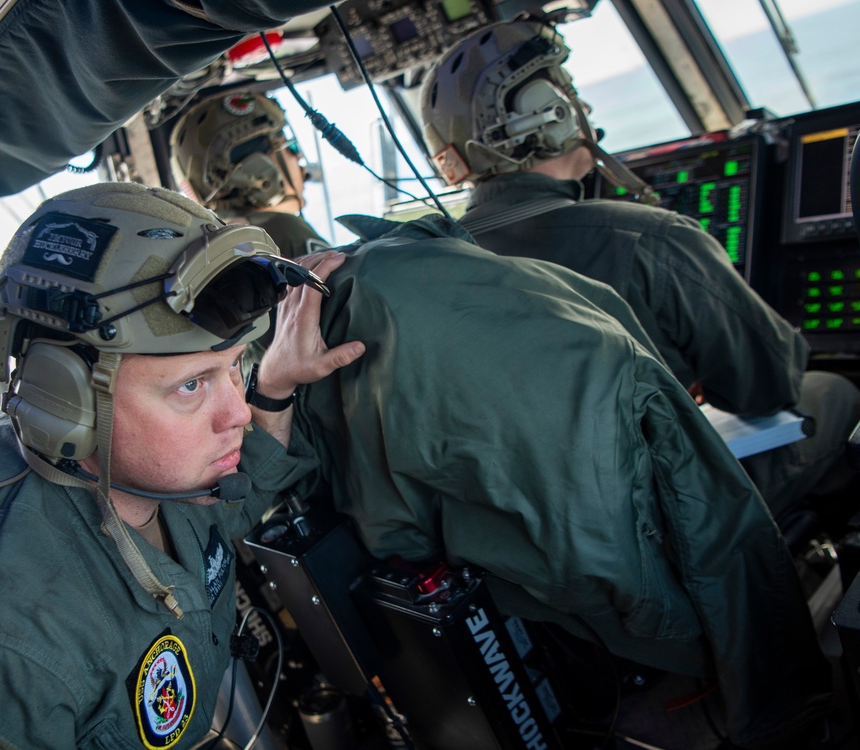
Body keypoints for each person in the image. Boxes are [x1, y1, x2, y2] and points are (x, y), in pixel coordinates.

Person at [268, 213, 832, 749]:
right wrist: (778, 694)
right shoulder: (628, 242)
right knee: (831, 392)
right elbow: (739, 420)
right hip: (647, 608)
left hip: (506, 593)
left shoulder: (277, 377)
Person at [0, 182, 362, 748]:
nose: (236, 413)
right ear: (64, 398)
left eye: (232, 367)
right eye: (191, 385)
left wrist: (273, 384)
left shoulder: (155, 476)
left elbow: (230, 507)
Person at [419, 15, 860, 522]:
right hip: (660, 518)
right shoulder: (650, 238)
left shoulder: (433, 265)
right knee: (832, 392)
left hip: (538, 528)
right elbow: (766, 386)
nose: (581, 107)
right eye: (570, 93)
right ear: (549, 113)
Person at [170, 90, 330, 259]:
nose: (298, 158)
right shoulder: (283, 232)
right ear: (258, 168)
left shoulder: (203, 246)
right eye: (291, 148)